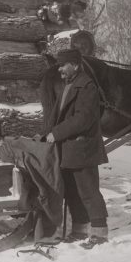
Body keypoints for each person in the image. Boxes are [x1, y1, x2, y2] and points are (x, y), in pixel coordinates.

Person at [44, 49, 109, 249]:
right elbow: (57, 116)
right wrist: (46, 133)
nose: (60, 69)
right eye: (59, 65)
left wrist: (57, 133)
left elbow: (83, 119)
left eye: (63, 65)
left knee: (89, 191)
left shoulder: (87, 86)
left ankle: (99, 232)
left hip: (82, 147)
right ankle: (80, 229)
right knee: (73, 192)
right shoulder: (68, 85)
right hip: (69, 148)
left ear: (76, 64)